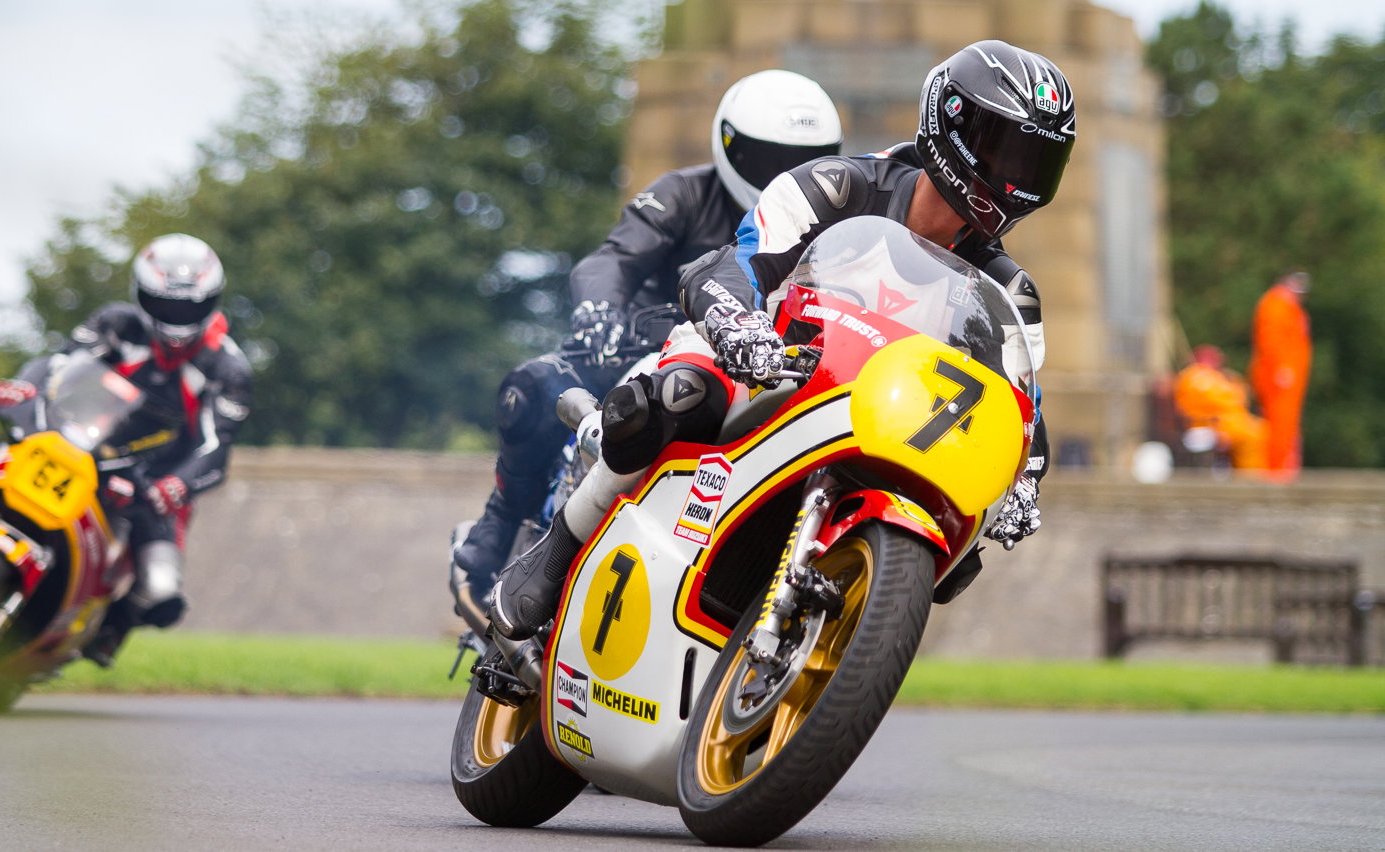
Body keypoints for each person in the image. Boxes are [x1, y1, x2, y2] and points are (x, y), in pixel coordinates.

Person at [490, 39, 1074, 641]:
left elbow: (1023, 414)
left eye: (1037, 164)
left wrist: (1023, 483)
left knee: (961, 553)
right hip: (763, 362)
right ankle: (556, 552)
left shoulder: (1010, 291)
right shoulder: (838, 185)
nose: (1016, 179)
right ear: (950, 123)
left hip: (880, 419)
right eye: (1007, 152)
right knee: (681, 392)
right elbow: (732, 265)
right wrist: (738, 326)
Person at [450, 70, 844, 605]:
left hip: (771, 374)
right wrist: (600, 312)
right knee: (532, 388)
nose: (783, 176)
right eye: (770, 158)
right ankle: (503, 522)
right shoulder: (684, 193)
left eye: (802, 160)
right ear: (729, 143)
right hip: (644, 354)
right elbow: (613, 260)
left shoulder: (837, 220)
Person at [0, 234, 254, 666]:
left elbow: (216, 448)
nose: (176, 320)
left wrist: (175, 486)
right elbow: (57, 364)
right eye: (164, 305)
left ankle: (108, 631)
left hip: (154, 480)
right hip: (82, 443)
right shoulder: (115, 323)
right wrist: (24, 387)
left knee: (160, 586)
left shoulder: (229, 369)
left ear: (212, 302)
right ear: (141, 295)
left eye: (189, 309)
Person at [1248, 271, 1310, 482]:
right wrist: (1280, 368)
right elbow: (1270, 339)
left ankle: (1284, 466)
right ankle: (1276, 468)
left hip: (1289, 374)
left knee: (1288, 424)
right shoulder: (1275, 304)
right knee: (1279, 422)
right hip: (1278, 375)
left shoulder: (1289, 306)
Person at [1173, 344, 1268, 471]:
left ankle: (1253, 474)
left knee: (1261, 429)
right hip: (1211, 425)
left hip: (1232, 423)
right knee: (1252, 436)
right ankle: (1248, 477)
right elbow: (1203, 406)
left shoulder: (1222, 377)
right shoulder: (1195, 377)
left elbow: (1241, 400)